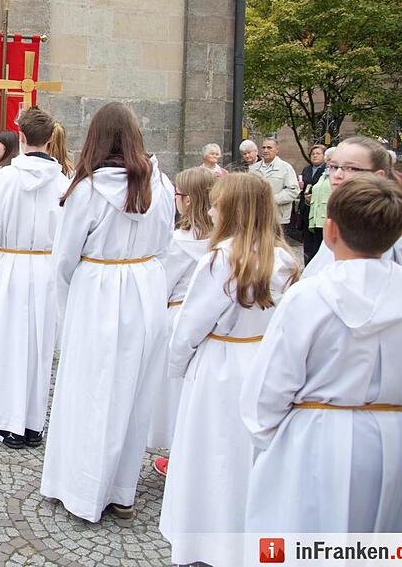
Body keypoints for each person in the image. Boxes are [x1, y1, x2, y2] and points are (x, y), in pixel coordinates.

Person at [242, 175, 402, 533]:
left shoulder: (309, 296)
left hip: (315, 437)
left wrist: (271, 439)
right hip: (391, 438)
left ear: (330, 231)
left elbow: (272, 382)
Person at [40, 102, 175, 521]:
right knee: (133, 393)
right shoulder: (161, 183)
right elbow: (167, 242)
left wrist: (69, 307)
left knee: (92, 391)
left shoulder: (88, 189)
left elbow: (64, 260)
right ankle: (121, 491)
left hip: (99, 289)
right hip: (146, 288)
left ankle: (84, 490)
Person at [159, 172, 299, 567]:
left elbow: (191, 325)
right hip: (260, 360)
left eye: (216, 202)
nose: (210, 208)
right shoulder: (285, 259)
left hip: (220, 361)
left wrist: (178, 365)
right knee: (244, 456)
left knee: (208, 452)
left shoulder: (221, 260)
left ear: (232, 210)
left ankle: (203, 541)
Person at [0, 107, 70, 449]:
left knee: (7, 343)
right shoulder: (63, 182)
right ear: (50, 139)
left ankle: (7, 423)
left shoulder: (4, 179)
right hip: (45, 266)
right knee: (39, 346)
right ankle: (33, 424)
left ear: (21, 137)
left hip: (12, 263)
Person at [148, 166, 216, 472]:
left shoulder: (179, 242)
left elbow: (162, 285)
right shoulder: (220, 239)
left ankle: (179, 454)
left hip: (177, 317)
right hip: (212, 324)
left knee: (176, 392)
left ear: (187, 200)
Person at [302, 136, 402, 278]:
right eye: (334, 167)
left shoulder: (380, 226)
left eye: (351, 168)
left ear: (378, 175)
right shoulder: (345, 216)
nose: (337, 175)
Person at [255, 137, 300, 241]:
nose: (266, 150)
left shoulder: (285, 168)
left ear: (277, 150)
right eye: (264, 147)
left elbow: (293, 190)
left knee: (276, 246)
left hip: (278, 217)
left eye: (269, 148)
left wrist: (272, 199)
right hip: (258, 215)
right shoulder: (254, 168)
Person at [300, 144, 329, 264]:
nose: (315, 156)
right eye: (312, 154)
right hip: (307, 209)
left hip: (320, 211)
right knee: (307, 243)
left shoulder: (327, 171)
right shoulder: (306, 169)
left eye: (318, 153)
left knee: (317, 245)